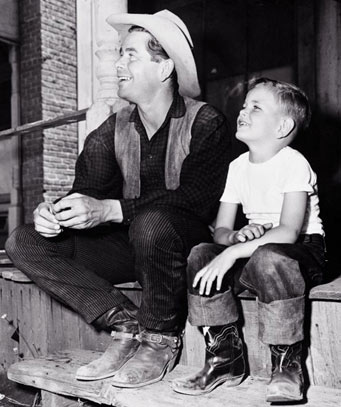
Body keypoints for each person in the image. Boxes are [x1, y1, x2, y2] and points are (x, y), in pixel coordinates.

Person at [5, 10, 231, 388]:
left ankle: (160, 337)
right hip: (130, 245)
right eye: (120, 54)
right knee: (23, 240)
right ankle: (126, 323)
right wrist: (56, 212)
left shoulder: (206, 122)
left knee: (153, 221)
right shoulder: (114, 125)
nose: (119, 64)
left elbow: (196, 200)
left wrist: (111, 209)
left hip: (183, 247)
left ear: (164, 69)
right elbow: (87, 189)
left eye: (131, 55)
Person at [171, 78, 326, 402]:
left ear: (283, 125)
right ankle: (224, 357)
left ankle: (286, 365)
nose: (244, 111)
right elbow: (222, 230)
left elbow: (288, 232)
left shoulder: (292, 162)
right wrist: (236, 237)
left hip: (301, 254)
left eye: (256, 107)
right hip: (254, 254)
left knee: (270, 256)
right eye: (244, 106)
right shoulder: (238, 167)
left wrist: (234, 252)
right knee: (201, 254)